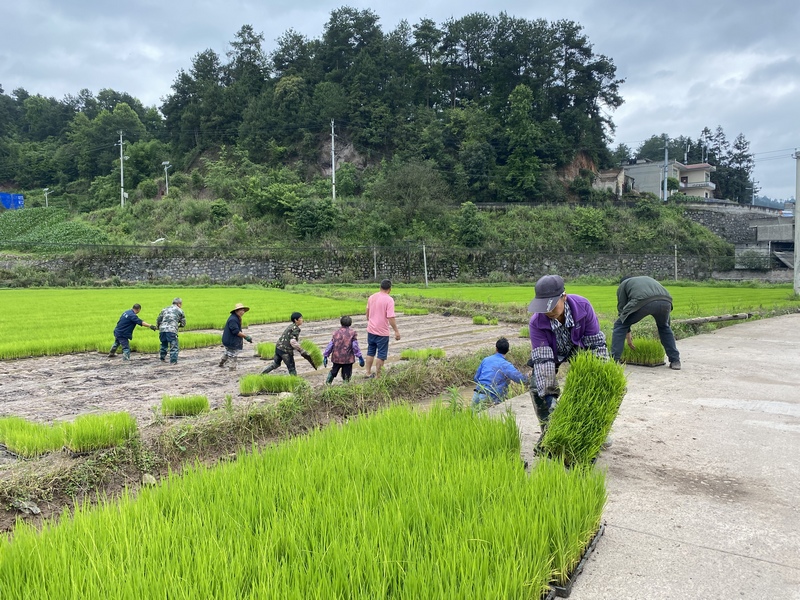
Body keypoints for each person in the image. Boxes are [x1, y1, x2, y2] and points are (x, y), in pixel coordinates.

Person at [527, 275, 609, 429]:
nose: (548, 311)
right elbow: (544, 361)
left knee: (590, 383)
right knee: (537, 386)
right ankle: (549, 429)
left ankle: (595, 428)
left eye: (551, 305)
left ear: (563, 297)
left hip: (580, 349)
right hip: (551, 353)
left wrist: (600, 375)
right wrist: (549, 397)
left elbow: (596, 346)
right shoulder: (536, 322)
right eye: (544, 306)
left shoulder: (583, 306)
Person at [611, 276, 681, 370]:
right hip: (666, 300)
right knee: (664, 327)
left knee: (619, 325)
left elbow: (622, 310)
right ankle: (675, 361)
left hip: (644, 301)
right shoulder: (645, 279)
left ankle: (614, 361)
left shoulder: (623, 284)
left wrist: (627, 332)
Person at [472, 337, 528, 406]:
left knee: (472, 416)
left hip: (477, 394)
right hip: (491, 398)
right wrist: (530, 375)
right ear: (507, 350)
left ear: (496, 349)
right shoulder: (506, 365)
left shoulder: (486, 360)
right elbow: (521, 379)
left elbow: (476, 378)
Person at [364, 279, 401, 378]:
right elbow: (390, 317)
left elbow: (367, 314)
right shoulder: (389, 300)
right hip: (382, 332)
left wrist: (372, 321)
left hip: (371, 330)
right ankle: (378, 376)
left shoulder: (372, 297)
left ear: (380, 287)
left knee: (370, 351)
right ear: (390, 289)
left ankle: (367, 372)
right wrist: (396, 331)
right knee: (381, 354)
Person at [322, 315, 365, 384]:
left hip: (337, 357)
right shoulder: (352, 333)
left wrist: (326, 355)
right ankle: (345, 387)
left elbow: (331, 344)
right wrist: (359, 357)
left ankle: (327, 383)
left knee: (334, 371)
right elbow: (355, 346)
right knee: (346, 374)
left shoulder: (336, 333)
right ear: (350, 323)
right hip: (347, 359)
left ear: (341, 323)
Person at [219, 303, 253, 371]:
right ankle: (232, 368)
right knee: (233, 354)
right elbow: (236, 332)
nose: (243, 312)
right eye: (241, 310)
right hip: (230, 340)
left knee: (227, 352)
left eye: (243, 310)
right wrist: (246, 337)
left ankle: (221, 363)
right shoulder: (233, 320)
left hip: (228, 339)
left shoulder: (236, 317)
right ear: (237, 311)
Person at [157, 297, 186, 365]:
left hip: (162, 330)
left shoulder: (165, 309)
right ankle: (173, 361)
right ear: (179, 304)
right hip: (172, 330)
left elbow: (159, 319)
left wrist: (158, 327)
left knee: (164, 344)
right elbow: (183, 323)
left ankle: (162, 358)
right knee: (174, 345)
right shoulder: (180, 310)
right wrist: (179, 326)